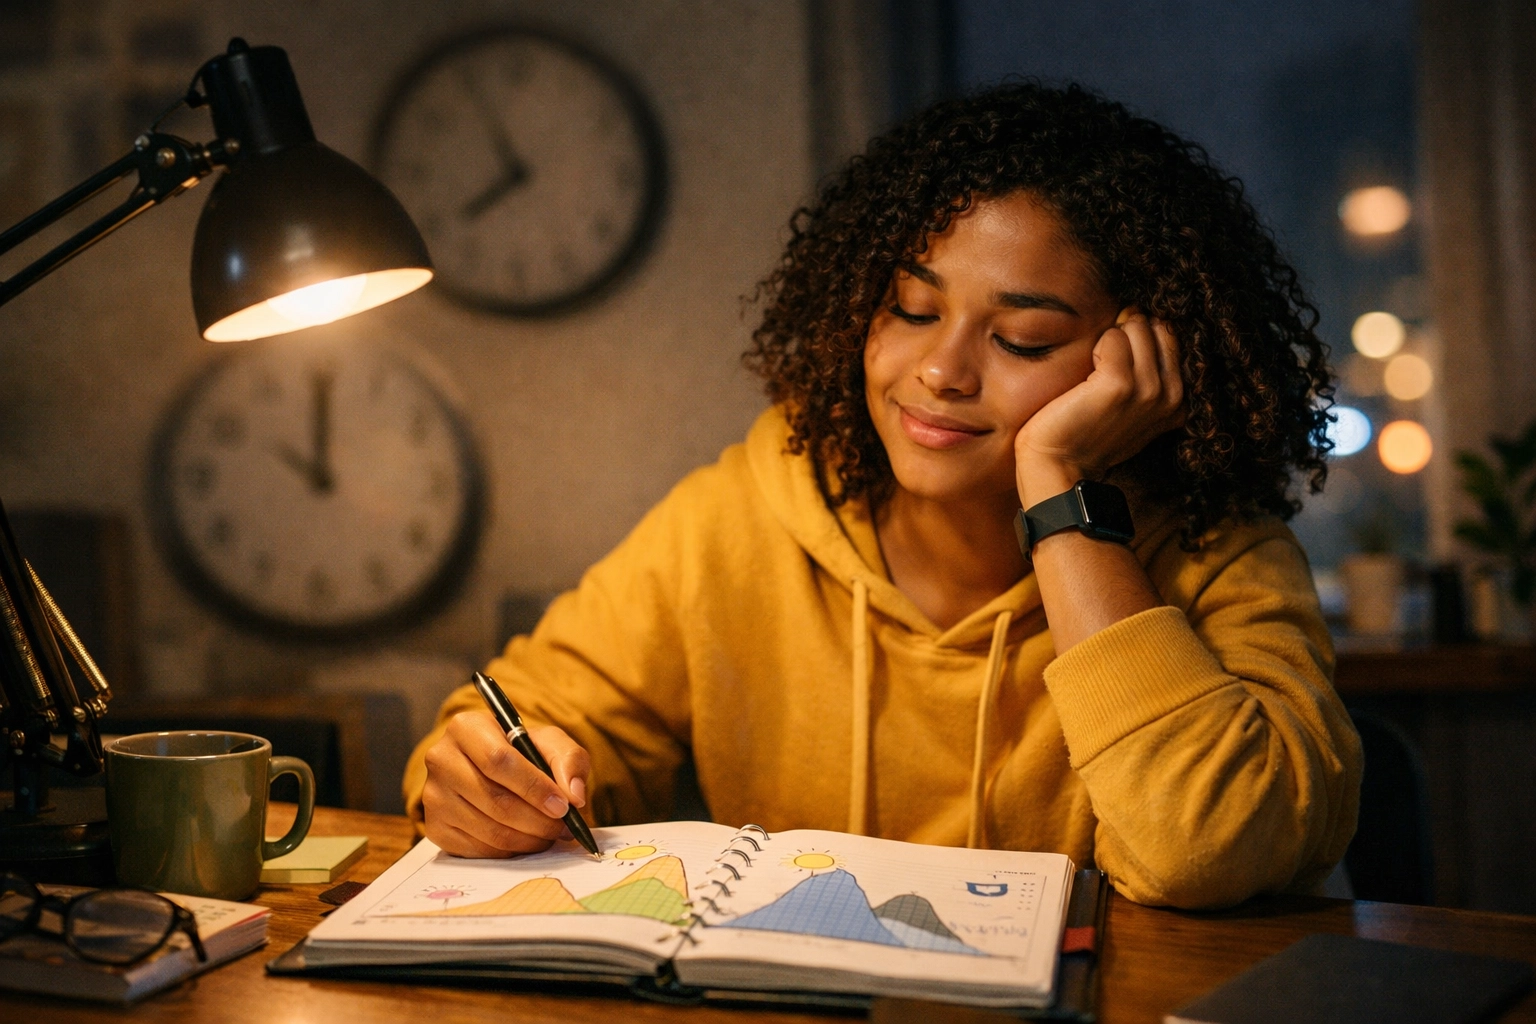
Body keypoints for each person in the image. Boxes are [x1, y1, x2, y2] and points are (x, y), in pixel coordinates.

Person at [402, 82, 1362, 909]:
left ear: (1141, 363)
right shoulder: (748, 513)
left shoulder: (1219, 553)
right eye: (911, 310)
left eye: (1021, 339)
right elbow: (519, 715)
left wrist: (1062, 493)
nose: (941, 370)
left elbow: (1214, 847)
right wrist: (475, 777)